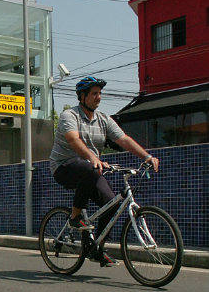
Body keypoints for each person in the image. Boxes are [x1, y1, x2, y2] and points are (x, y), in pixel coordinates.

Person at [50, 76, 159, 267]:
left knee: (111, 204)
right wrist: (93, 157)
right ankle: (75, 216)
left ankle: (96, 249)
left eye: (100, 93)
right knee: (89, 168)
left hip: (90, 169)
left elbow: (123, 139)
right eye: (94, 94)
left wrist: (146, 156)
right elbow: (73, 140)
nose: (98, 97)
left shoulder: (103, 119)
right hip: (63, 167)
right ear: (82, 96)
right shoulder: (70, 116)